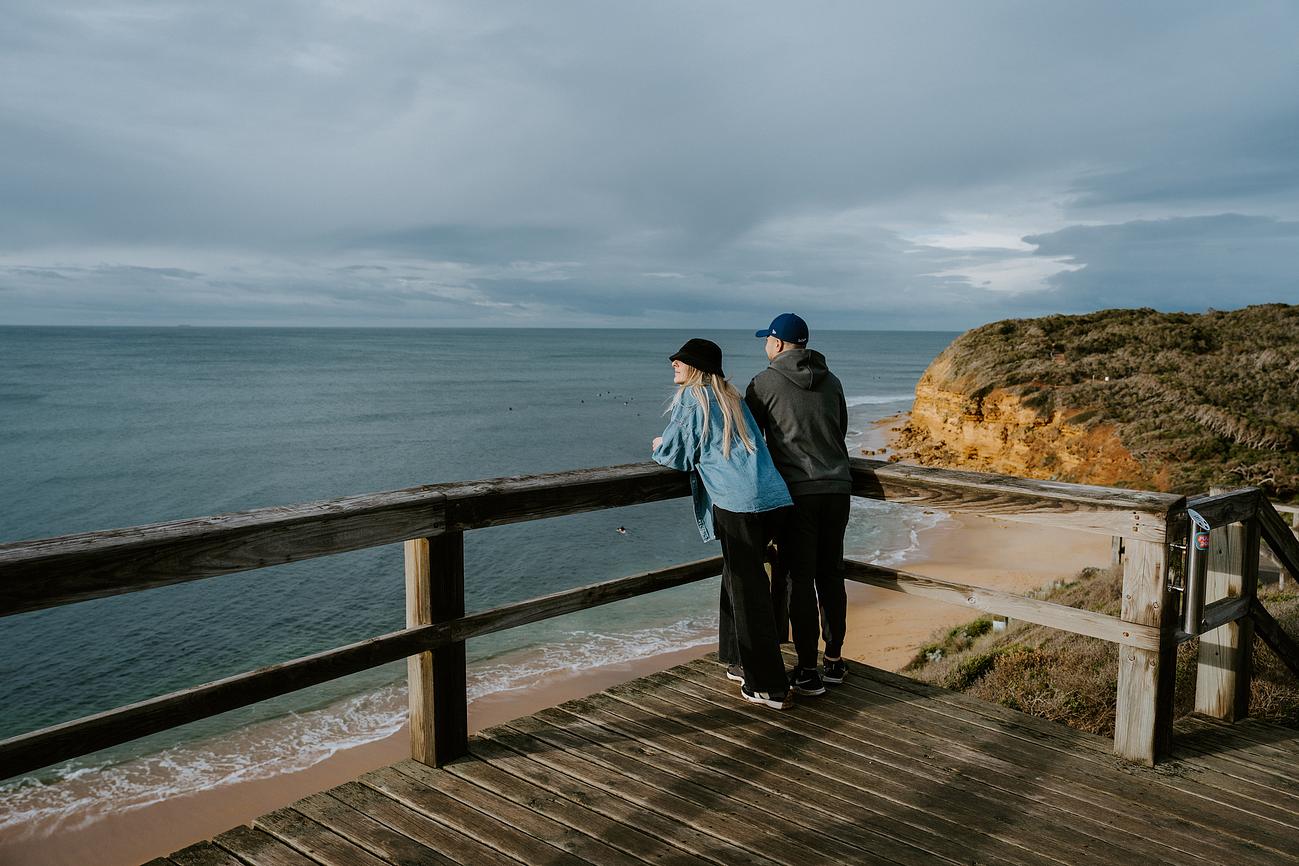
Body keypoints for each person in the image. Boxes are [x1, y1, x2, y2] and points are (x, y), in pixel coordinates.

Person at [651, 338, 795, 709]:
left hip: (739, 502)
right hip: (773, 496)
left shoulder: (692, 398)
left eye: (680, 360)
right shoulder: (731, 397)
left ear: (695, 367)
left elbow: (675, 454)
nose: (673, 364)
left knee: (749, 592)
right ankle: (739, 660)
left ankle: (768, 686)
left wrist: (656, 444)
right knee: (740, 577)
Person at [746, 313, 852, 694]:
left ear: (777, 343)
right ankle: (835, 661)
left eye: (766, 341)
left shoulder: (764, 383)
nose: (764, 347)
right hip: (838, 490)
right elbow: (839, 429)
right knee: (831, 574)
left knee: (800, 579)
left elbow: (750, 441)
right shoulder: (833, 380)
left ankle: (807, 670)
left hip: (799, 494)